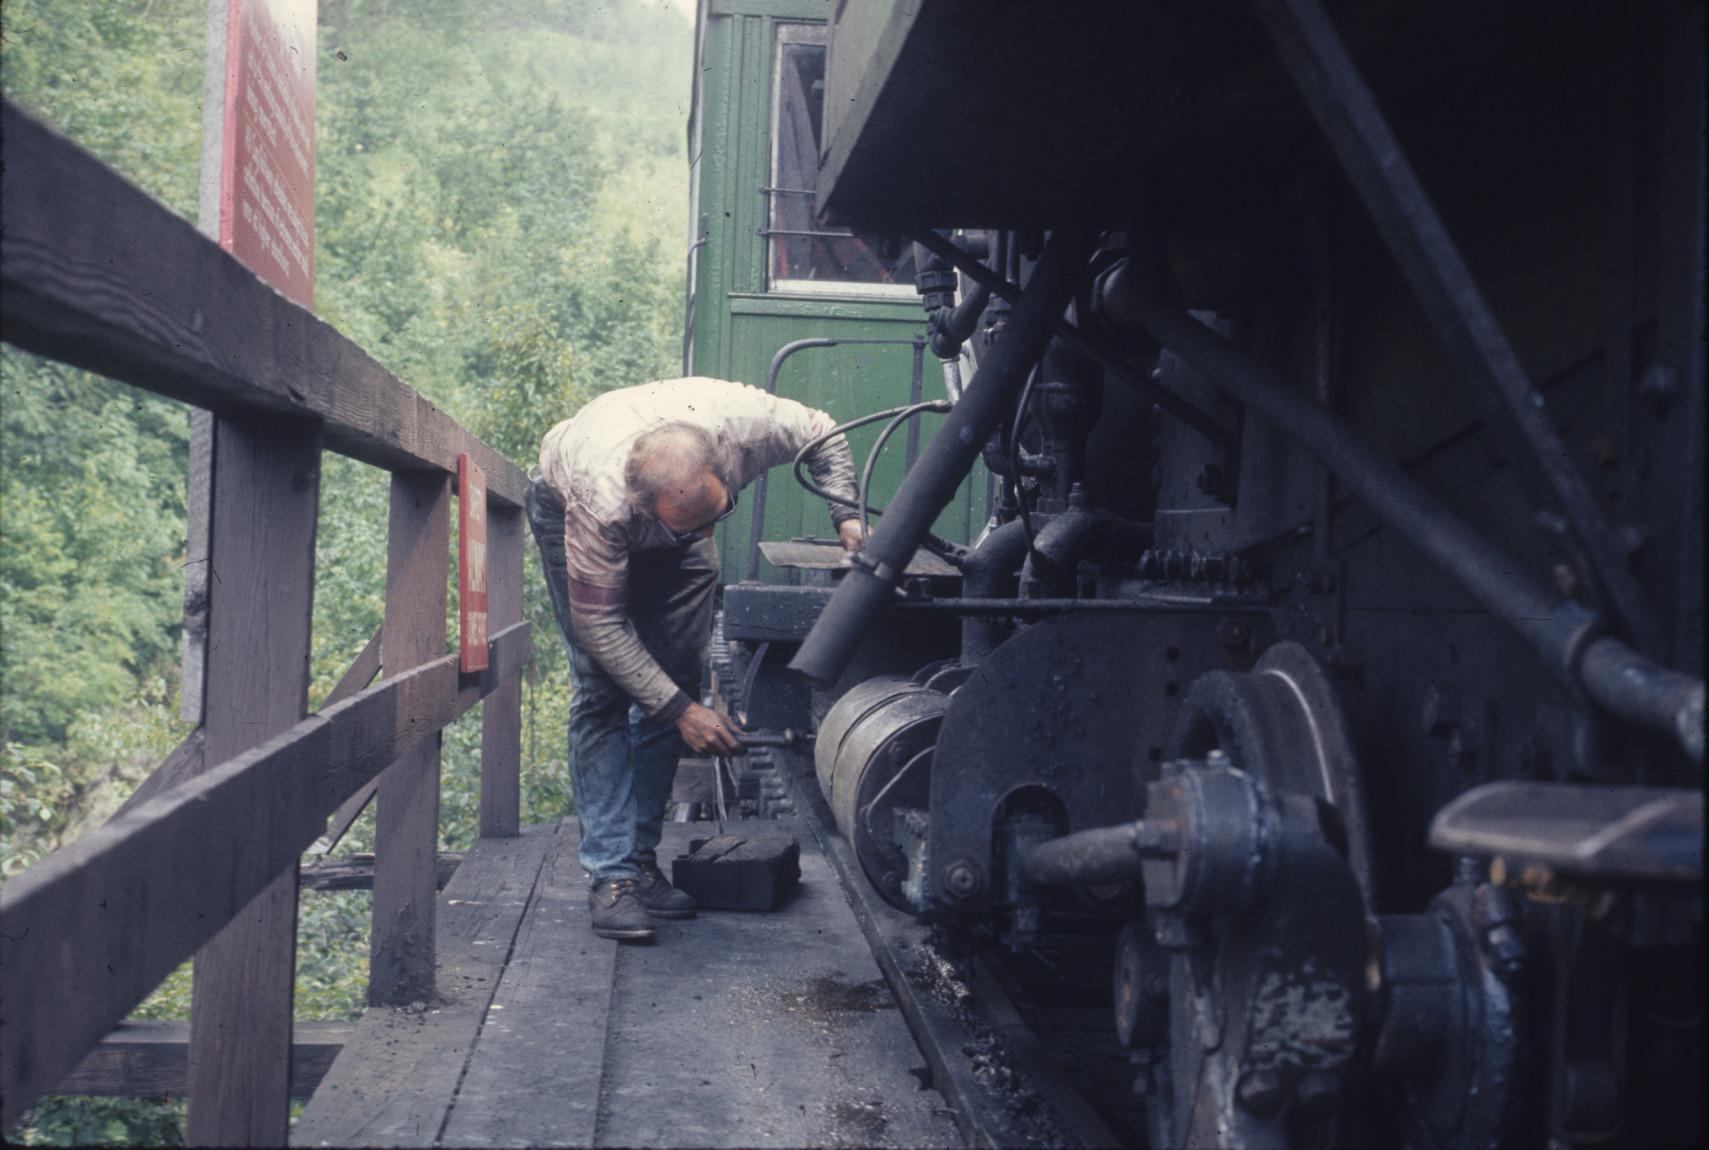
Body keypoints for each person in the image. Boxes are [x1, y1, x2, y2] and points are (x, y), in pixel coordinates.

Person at [527, 377, 862, 941]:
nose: (709, 530)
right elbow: (602, 627)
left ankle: (640, 861)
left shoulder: (743, 426)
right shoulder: (600, 503)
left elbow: (824, 432)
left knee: (675, 677)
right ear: (646, 509)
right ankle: (612, 878)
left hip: (672, 514)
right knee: (603, 691)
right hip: (571, 513)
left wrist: (847, 518)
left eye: (718, 512)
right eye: (692, 525)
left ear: (720, 469)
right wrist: (683, 713)